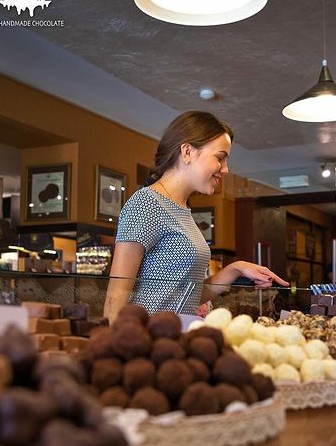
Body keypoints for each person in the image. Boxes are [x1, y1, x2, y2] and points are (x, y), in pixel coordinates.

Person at [104, 111, 288, 319]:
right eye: (220, 158)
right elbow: (115, 296)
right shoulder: (146, 203)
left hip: (177, 337)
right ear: (187, 152)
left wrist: (236, 269)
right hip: (150, 339)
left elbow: (189, 296)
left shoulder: (182, 210)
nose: (225, 170)